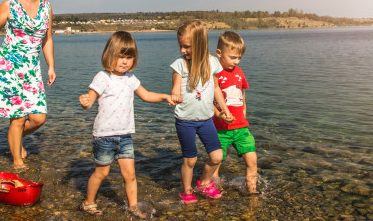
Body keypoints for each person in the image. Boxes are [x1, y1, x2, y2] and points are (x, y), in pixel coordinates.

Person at [78, 31, 178, 218]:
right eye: (120, 57)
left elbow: (146, 95)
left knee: (130, 174)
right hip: (104, 136)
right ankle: (88, 203)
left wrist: (165, 96)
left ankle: (133, 206)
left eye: (129, 57)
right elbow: (90, 98)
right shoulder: (103, 77)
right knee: (101, 173)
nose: (125, 62)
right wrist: (86, 102)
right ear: (110, 55)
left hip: (125, 136)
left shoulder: (131, 78)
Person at [0, 0, 56, 170]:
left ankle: (14, 139)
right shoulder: (9, 5)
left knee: (38, 118)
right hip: (10, 67)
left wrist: (51, 66)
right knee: (17, 119)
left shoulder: (46, 7)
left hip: (32, 68)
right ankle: (17, 161)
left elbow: (47, 39)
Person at [170, 20, 234, 204]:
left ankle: (204, 183)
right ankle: (187, 190)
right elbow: (175, 89)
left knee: (216, 156)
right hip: (185, 120)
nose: (182, 50)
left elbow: (216, 89)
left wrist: (224, 109)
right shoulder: (179, 65)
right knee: (190, 160)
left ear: (200, 44)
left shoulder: (213, 63)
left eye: (187, 46)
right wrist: (174, 96)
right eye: (181, 46)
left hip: (206, 120)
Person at [211, 31, 260, 194]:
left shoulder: (238, 72)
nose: (236, 61)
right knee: (215, 162)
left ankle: (252, 190)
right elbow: (207, 98)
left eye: (239, 58)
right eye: (232, 57)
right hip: (220, 129)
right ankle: (215, 190)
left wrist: (244, 109)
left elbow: (242, 91)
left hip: (241, 127)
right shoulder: (214, 73)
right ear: (219, 53)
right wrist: (218, 114)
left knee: (252, 158)